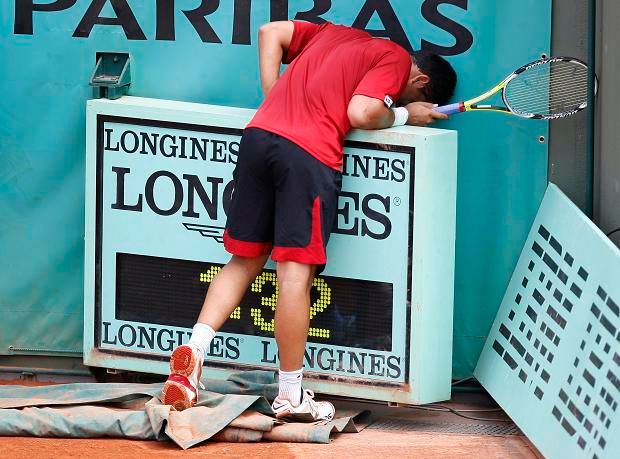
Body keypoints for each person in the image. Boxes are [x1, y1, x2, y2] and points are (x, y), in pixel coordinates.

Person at [161, 20, 457, 421]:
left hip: (259, 137)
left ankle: (194, 352)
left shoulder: (333, 33)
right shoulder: (397, 59)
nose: (396, 95)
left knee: (243, 261)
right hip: (308, 155)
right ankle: (289, 396)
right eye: (408, 93)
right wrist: (405, 113)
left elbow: (269, 33)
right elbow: (363, 110)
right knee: (294, 276)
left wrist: (274, 99)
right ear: (420, 81)